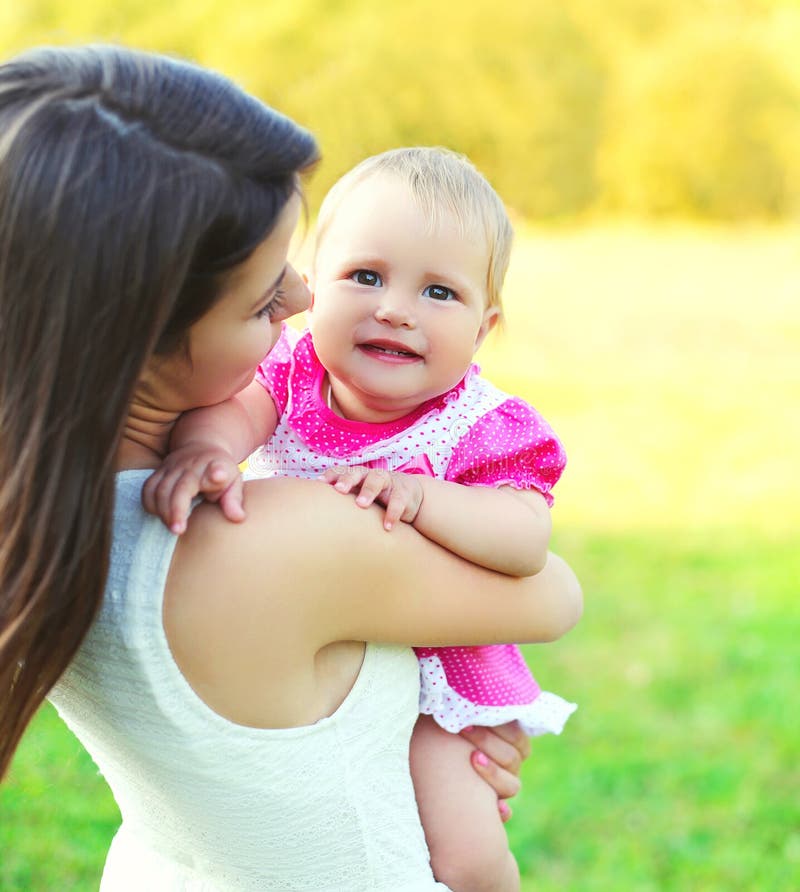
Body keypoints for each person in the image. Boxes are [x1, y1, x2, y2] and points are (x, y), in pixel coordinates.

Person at [0, 44, 582, 892]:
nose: (307, 302)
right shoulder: (292, 538)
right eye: (264, 293)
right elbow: (554, 593)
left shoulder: (37, 512)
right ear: (145, 331)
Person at [144, 146, 577, 891]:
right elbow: (234, 415)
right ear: (313, 285)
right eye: (366, 276)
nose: (395, 309)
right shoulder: (293, 370)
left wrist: (427, 499)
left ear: (483, 327)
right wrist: (209, 454)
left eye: (439, 292)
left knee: (466, 852)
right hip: (320, 651)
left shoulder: (481, 424)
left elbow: (526, 540)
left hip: (438, 670)